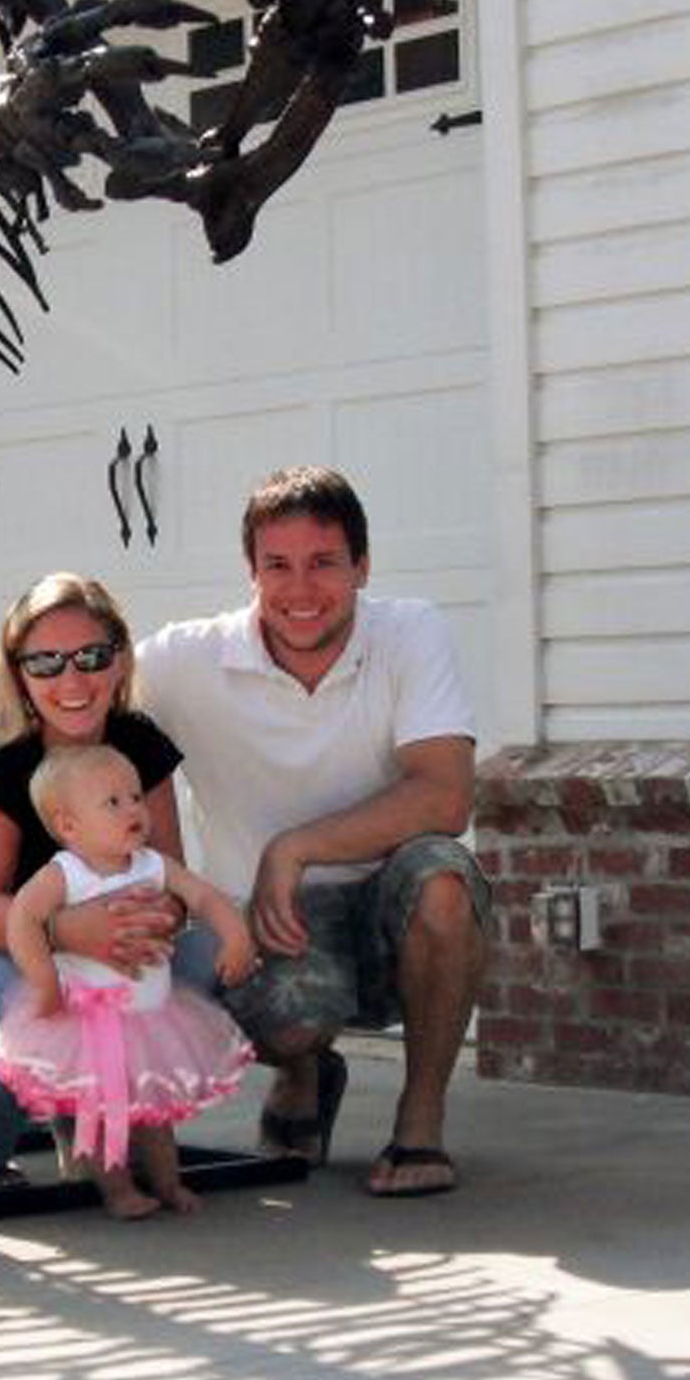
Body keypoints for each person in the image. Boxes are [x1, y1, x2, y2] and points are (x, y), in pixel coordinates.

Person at [136, 466, 492, 1197]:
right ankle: (302, 1069)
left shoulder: (410, 631)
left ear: (362, 565)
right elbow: (67, 689)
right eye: (278, 566)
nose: (300, 590)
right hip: (270, 925)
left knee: (445, 880)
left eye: (324, 563)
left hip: (389, 906)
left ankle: (419, 1123)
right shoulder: (185, 659)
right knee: (290, 1024)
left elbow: (446, 794)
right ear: (251, 571)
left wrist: (293, 848)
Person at [0, 572, 226, 1195]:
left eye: (91, 657)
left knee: (198, 959)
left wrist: (155, 923)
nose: (71, 681)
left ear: (120, 661)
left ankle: (96, 1126)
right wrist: (70, 931)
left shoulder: (138, 743)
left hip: (74, 935)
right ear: (18, 673)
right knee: (14, 993)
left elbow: (168, 871)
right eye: (45, 662)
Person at [0, 743, 255, 1218]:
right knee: (102, 1110)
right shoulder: (66, 874)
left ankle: (167, 1181)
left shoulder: (152, 864)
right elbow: (21, 920)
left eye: (135, 797)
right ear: (68, 825)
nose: (133, 809)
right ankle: (116, 1188)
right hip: (89, 1016)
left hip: (151, 1015)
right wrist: (44, 980)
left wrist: (235, 934)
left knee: (154, 1112)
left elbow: (204, 896)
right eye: (113, 802)